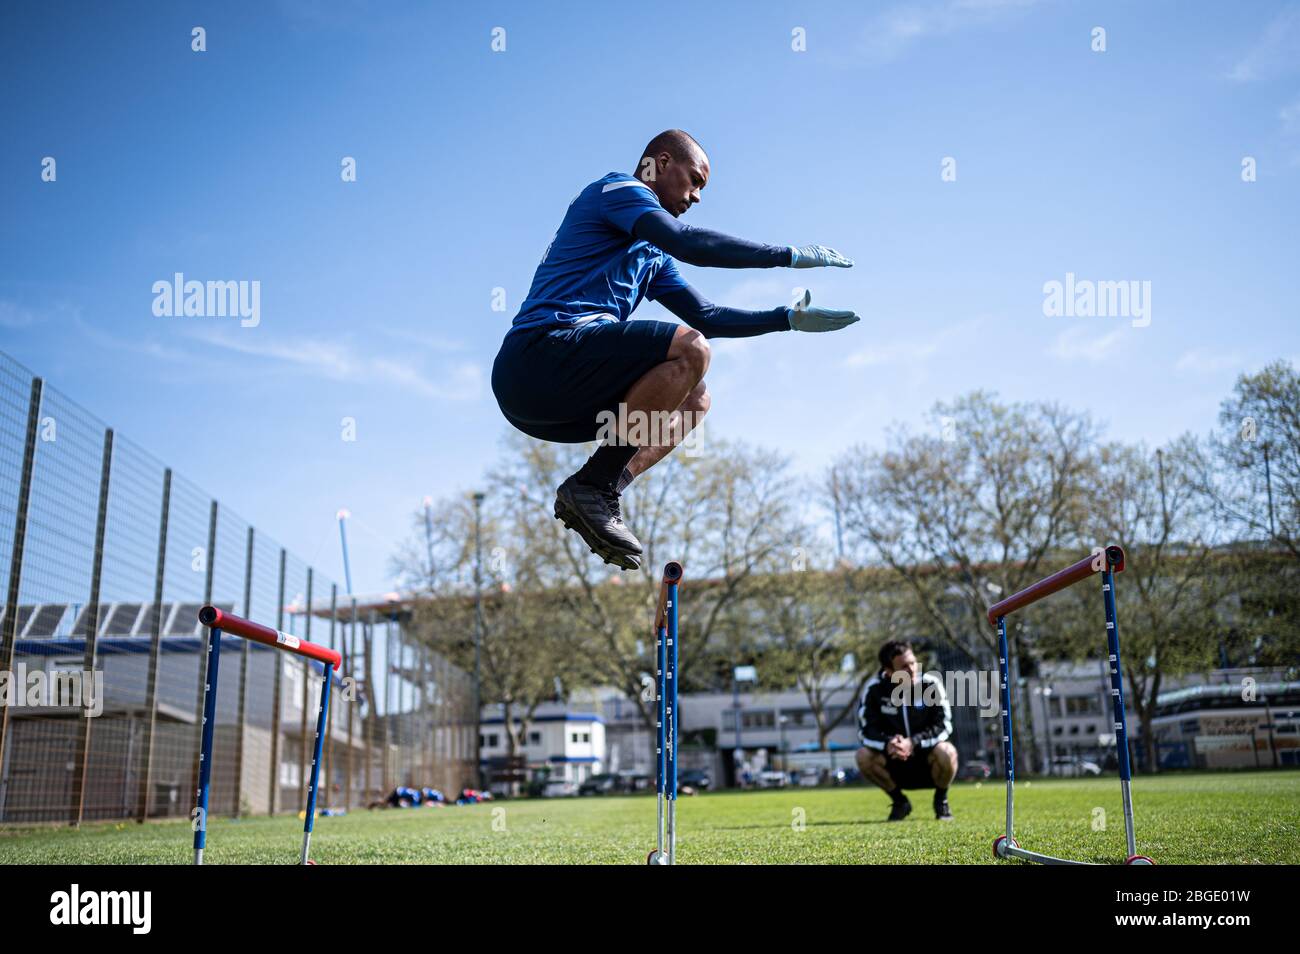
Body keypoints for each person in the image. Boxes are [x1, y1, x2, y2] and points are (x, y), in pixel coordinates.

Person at [491, 129, 860, 569]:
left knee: (696, 397)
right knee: (690, 351)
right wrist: (787, 255)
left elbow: (707, 314)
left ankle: (599, 490)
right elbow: (688, 244)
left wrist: (785, 319)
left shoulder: (650, 254)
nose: (697, 196)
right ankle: (594, 485)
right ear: (660, 164)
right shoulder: (617, 190)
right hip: (536, 358)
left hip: (555, 407)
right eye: (695, 180)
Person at [855, 640, 958, 821]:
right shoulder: (874, 689)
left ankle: (941, 800)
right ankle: (900, 802)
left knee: (947, 751)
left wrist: (913, 742)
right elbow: (866, 730)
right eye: (904, 666)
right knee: (863, 756)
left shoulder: (930, 684)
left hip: (927, 762)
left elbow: (944, 724)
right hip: (894, 764)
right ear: (889, 671)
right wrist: (888, 743)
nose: (912, 669)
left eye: (912, 662)